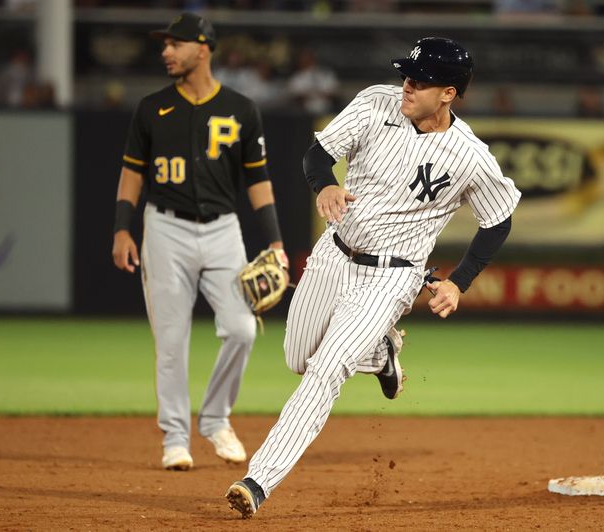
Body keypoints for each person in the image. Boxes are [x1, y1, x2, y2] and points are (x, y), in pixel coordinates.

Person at [225, 37, 521, 518]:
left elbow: (499, 219)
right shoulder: (375, 101)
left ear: (448, 93)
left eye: (420, 80)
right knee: (299, 356)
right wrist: (325, 185)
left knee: (327, 369)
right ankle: (382, 351)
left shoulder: (470, 156)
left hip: (393, 275)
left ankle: (258, 480)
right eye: (407, 73)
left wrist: (458, 282)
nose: (407, 83)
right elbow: (317, 155)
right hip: (333, 253)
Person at [111, 12, 288, 471]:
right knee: (171, 339)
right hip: (164, 229)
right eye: (164, 45)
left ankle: (213, 418)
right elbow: (132, 174)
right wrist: (121, 228)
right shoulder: (152, 107)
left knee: (242, 329)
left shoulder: (241, 108)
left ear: (203, 48)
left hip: (222, 229)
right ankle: (174, 437)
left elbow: (259, 181)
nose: (166, 51)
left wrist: (274, 243)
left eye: (176, 43)